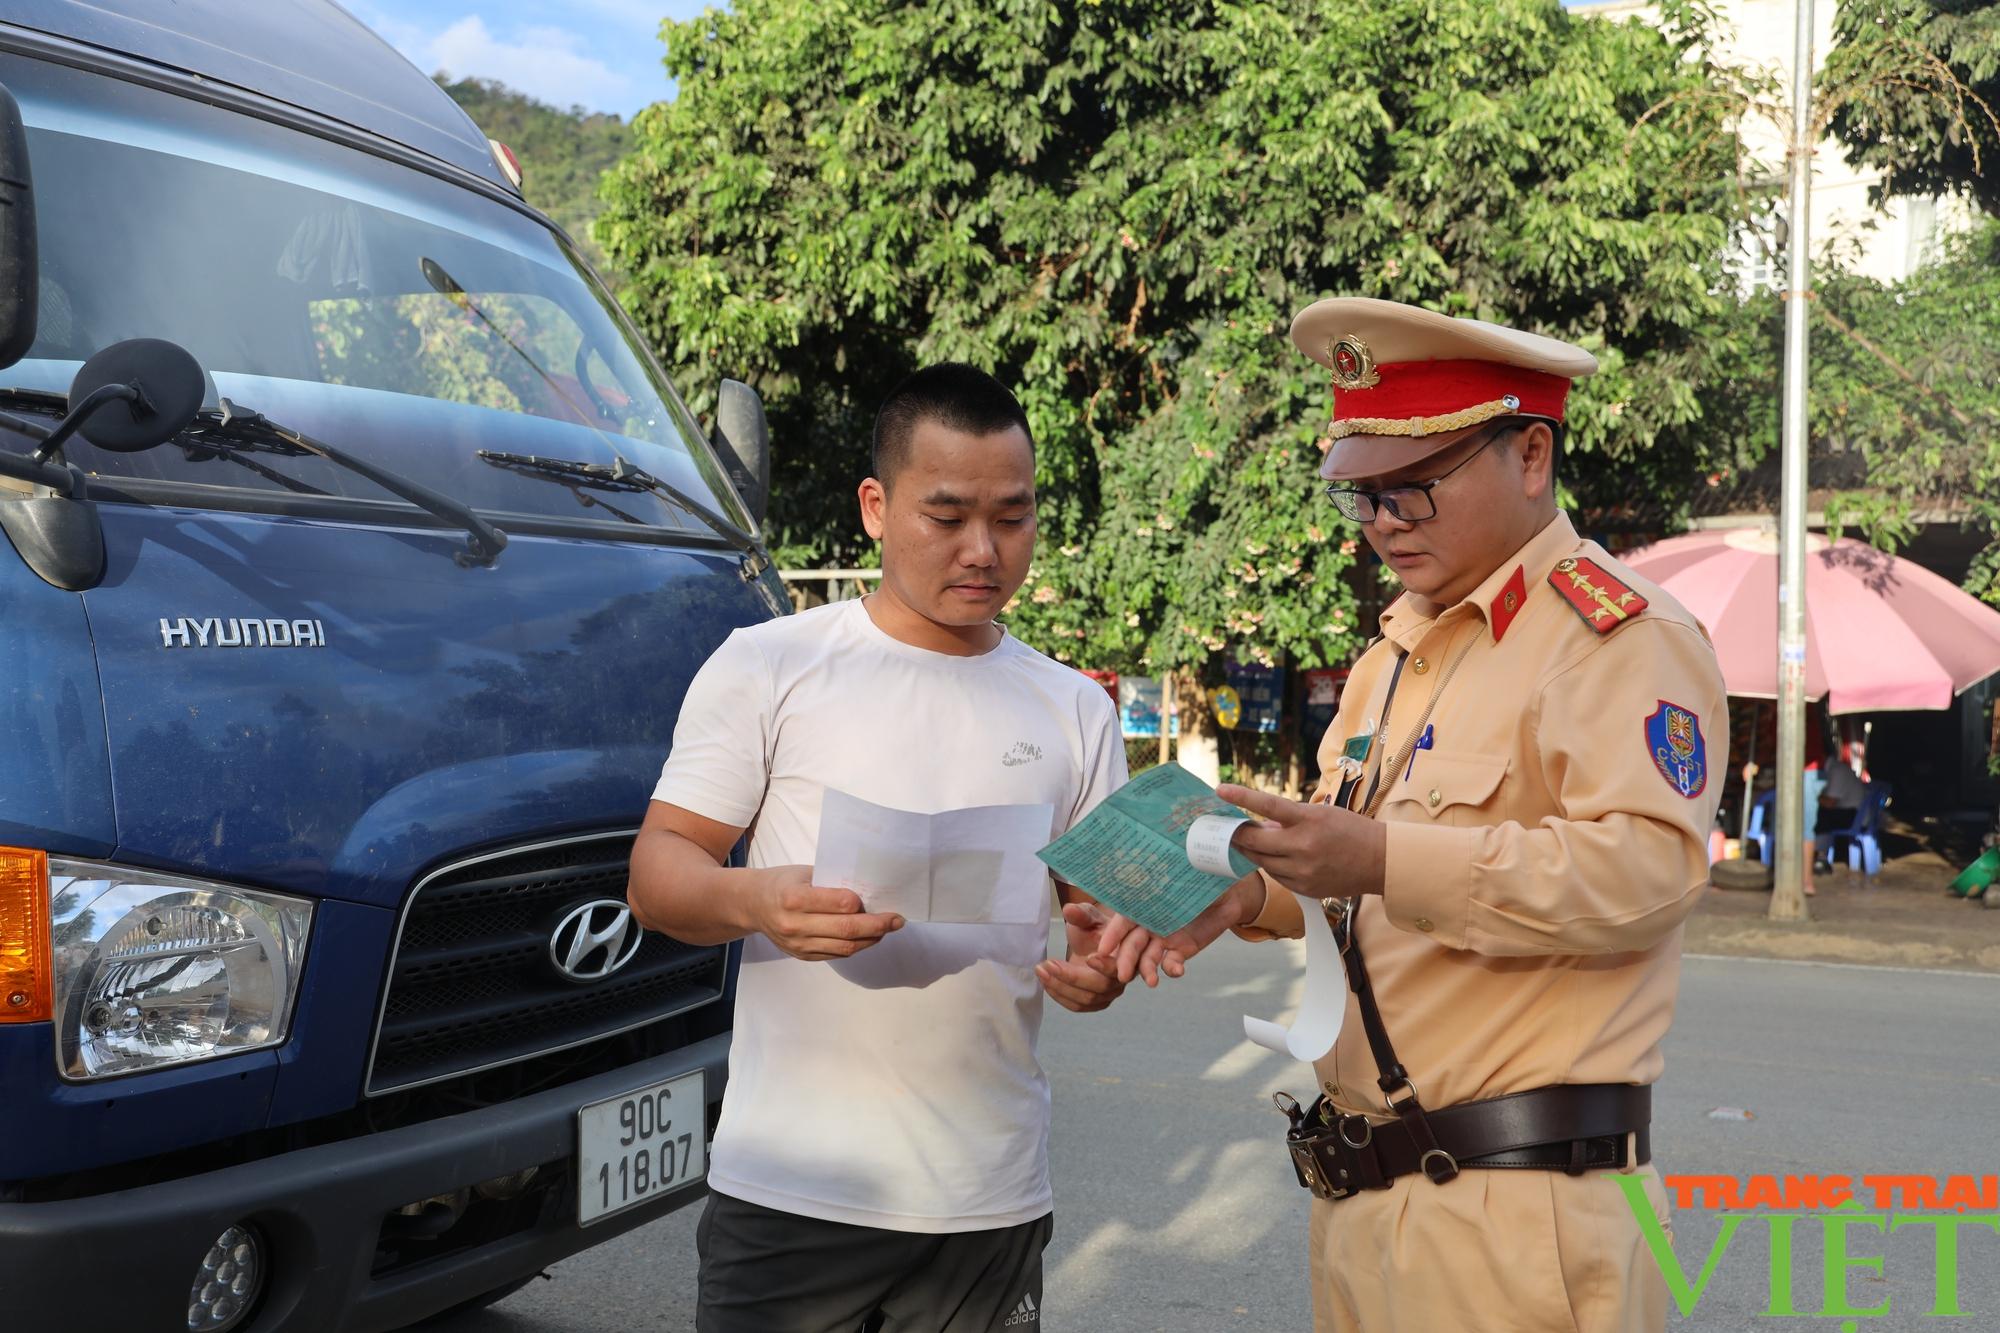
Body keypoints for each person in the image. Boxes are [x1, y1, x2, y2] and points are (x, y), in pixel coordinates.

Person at [1103, 298, 1728, 1331]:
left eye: (1413, 490)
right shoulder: (1394, 654)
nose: (1384, 523)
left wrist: (1383, 856)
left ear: (1530, 455)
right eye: (1363, 497)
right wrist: (1237, 889)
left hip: (1515, 1212)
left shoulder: (1615, 637)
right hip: (1365, 1197)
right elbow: (1346, 877)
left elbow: (1644, 875)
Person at [626, 362, 1154, 1333]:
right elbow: (657, 877)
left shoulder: (1075, 708)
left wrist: (1100, 962)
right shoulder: (773, 664)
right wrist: (757, 901)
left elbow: (1098, 915)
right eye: (945, 516)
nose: (983, 550)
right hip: (791, 1193)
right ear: (875, 506)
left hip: (987, 1199)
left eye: (1012, 516)